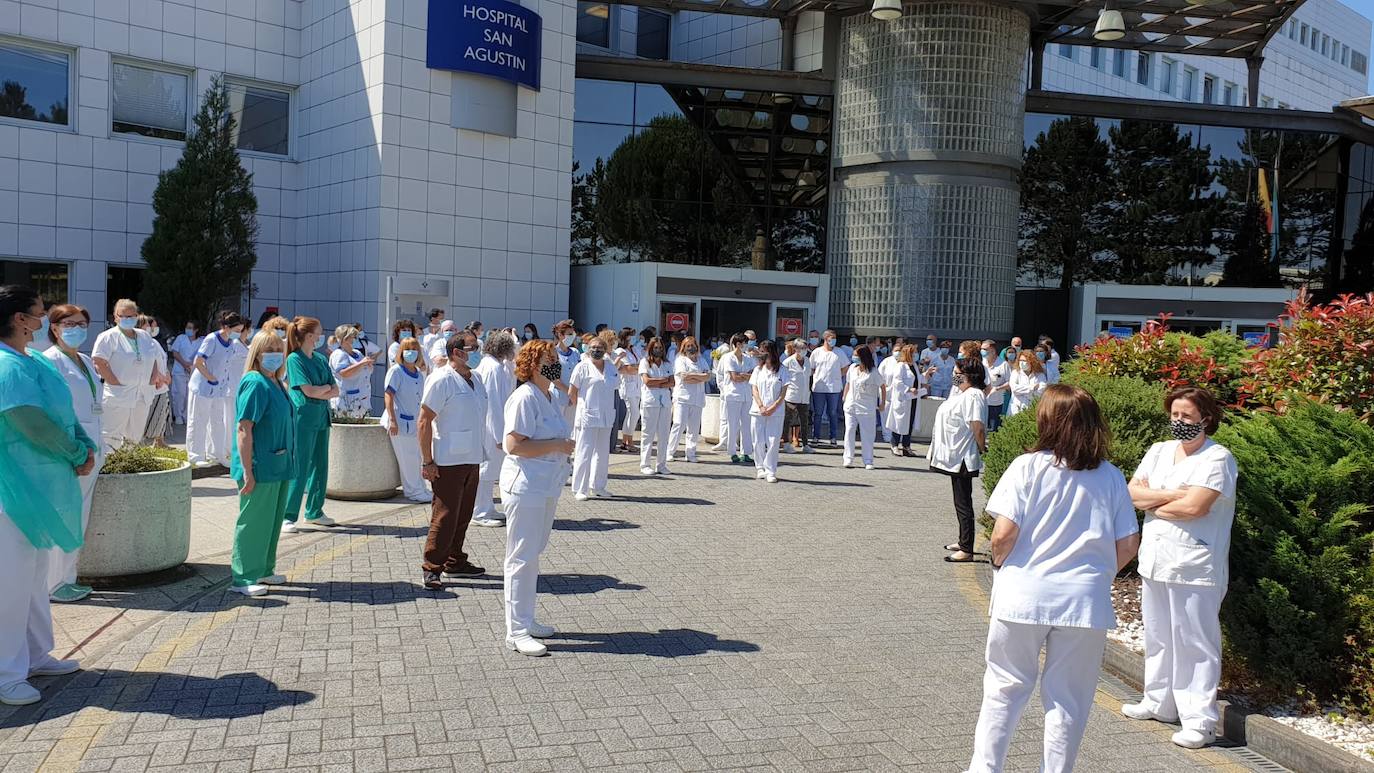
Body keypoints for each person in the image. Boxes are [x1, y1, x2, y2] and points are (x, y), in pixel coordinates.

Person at [966, 384, 1142, 773]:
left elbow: (1003, 535)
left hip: (1023, 594)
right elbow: (1129, 543)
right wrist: (1097, 574)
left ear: (1047, 421)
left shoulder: (1026, 467)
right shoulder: (1111, 477)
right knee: (1069, 698)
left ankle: (985, 768)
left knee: (1004, 688)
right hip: (1083, 601)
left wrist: (1000, 565)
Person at [1123, 387, 1237, 750]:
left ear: (1206, 418)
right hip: (1156, 559)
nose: (1179, 422)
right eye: (1174, 415)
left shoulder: (1217, 459)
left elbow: (1196, 508)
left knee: (1195, 642)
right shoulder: (1158, 451)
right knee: (1158, 636)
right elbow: (1131, 495)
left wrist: (1153, 501)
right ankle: (1158, 702)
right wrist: (1173, 496)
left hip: (1195, 564)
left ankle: (1199, 721)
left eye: (1186, 417)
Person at [0, 285, 95, 705]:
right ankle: (7, 672)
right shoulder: (5, 367)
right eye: (39, 313)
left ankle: (36, 654)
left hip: (40, 484)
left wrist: (81, 442)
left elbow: (63, 409)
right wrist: (75, 451)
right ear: (20, 319)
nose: (43, 321)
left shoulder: (32, 359)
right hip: (13, 489)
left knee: (35, 576)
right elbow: (30, 423)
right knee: (11, 581)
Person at [499, 340, 574, 656]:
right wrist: (557, 444)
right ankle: (515, 631)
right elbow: (513, 446)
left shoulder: (550, 395)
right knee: (521, 557)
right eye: (549, 359)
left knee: (533, 553)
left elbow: (569, 394)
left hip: (545, 485)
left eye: (556, 358)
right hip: (525, 486)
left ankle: (527, 620)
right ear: (531, 364)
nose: (555, 362)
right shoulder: (524, 397)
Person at [226, 330, 296, 597]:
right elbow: (244, 429)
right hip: (259, 465)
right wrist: (247, 470)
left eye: (279, 349)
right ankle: (243, 577)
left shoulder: (276, 381)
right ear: (257, 354)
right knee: (254, 521)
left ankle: (264, 568)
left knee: (271, 521)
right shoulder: (255, 382)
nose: (276, 355)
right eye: (270, 350)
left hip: (278, 464)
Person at [418, 332, 489, 589]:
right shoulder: (441, 380)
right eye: (474, 347)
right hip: (448, 459)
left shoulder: (475, 378)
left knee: (463, 515)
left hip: (472, 457)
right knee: (445, 516)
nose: (479, 351)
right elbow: (424, 421)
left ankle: (454, 561)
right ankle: (432, 567)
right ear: (457, 352)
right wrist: (428, 461)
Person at [43, 305, 103, 603]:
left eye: (82, 323)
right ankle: (53, 583)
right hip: (70, 451)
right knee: (64, 515)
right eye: (69, 323)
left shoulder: (86, 361)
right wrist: (72, 450)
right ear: (54, 328)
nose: (77, 329)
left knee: (78, 516)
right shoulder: (49, 362)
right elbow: (53, 412)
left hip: (92, 447)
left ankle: (68, 577)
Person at [282, 317, 339, 533]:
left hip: (321, 417)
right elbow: (308, 391)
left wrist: (321, 389)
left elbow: (336, 390)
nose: (321, 336)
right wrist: (323, 389)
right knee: (301, 465)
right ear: (309, 336)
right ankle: (288, 515)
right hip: (303, 417)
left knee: (320, 464)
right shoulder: (294, 360)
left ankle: (314, 511)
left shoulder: (320, 359)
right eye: (319, 332)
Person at [929, 357, 988, 562]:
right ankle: (963, 540)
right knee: (959, 502)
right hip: (955, 456)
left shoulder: (974, 395)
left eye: (957, 373)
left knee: (964, 503)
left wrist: (983, 449)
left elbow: (977, 426)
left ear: (968, 375)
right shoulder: (963, 393)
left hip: (964, 457)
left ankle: (967, 548)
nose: (954, 376)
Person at [91, 299, 158, 450]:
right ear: (116, 317)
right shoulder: (108, 336)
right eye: (123, 316)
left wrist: (153, 379)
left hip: (142, 394)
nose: (128, 319)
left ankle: (129, 468)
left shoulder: (144, 336)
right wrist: (115, 383)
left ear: (137, 316)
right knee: (111, 435)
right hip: (118, 393)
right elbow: (98, 361)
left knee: (134, 436)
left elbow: (153, 357)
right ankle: (107, 469)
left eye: (131, 316)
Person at [187, 311, 246, 467]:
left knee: (217, 421)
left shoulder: (232, 343)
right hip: (203, 387)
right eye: (236, 331)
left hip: (219, 389)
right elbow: (198, 361)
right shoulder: (212, 339)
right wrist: (211, 378)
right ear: (226, 327)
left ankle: (217, 454)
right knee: (199, 420)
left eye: (240, 331)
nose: (238, 334)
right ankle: (195, 455)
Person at [471, 331, 517, 527]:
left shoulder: (495, 366)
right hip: (491, 428)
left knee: (489, 471)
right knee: (486, 470)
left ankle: (487, 507)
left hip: (492, 427)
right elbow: (493, 405)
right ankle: (479, 512)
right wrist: (500, 435)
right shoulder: (493, 368)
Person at [567, 335, 618, 500]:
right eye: (593, 347)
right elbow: (572, 392)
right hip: (587, 416)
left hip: (605, 416)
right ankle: (579, 489)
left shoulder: (611, 367)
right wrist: (581, 408)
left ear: (605, 350)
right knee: (584, 452)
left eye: (600, 348)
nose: (596, 350)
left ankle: (598, 486)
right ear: (588, 349)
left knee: (602, 453)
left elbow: (615, 386)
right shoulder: (582, 367)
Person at [383, 337, 431, 503]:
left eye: (414, 349)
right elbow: (389, 395)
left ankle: (420, 488)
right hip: (400, 422)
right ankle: (413, 491)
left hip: (414, 422)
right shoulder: (396, 371)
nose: (411, 353)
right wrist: (392, 420)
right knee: (408, 459)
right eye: (407, 349)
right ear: (401, 352)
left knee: (416, 457)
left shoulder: (418, 373)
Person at [748, 340, 790, 483]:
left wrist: (773, 407)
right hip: (758, 410)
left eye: (764, 351)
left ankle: (770, 470)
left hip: (776, 411)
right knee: (758, 440)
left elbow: (783, 393)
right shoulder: (758, 370)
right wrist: (760, 406)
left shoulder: (782, 370)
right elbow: (754, 389)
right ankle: (760, 467)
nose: (761, 353)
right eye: (760, 350)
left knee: (772, 441)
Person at [666, 336, 710, 463]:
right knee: (678, 425)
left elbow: (708, 376)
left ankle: (690, 453)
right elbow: (684, 377)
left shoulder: (701, 360)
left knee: (694, 428)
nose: (691, 348)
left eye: (693, 345)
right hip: (682, 398)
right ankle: (670, 451)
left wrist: (695, 377)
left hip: (697, 398)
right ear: (684, 347)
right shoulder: (680, 360)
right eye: (688, 346)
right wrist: (700, 376)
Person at [841, 345, 884, 469]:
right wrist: (844, 397)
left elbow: (882, 386)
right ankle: (848, 458)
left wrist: (881, 403)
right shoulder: (852, 368)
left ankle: (868, 460)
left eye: (856, 355)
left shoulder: (873, 372)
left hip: (866, 407)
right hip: (850, 405)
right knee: (849, 431)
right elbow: (848, 383)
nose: (854, 358)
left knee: (867, 434)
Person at [638, 336, 675, 475]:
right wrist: (663, 381)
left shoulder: (667, 364)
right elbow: (647, 381)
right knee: (648, 434)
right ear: (650, 348)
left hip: (664, 402)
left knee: (664, 434)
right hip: (650, 402)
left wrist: (658, 382)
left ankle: (661, 464)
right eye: (655, 348)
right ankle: (645, 464)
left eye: (660, 348)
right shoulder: (645, 362)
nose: (658, 350)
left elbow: (672, 382)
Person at [718, 334, 757, 465]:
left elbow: (753, 375)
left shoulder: (748, 358)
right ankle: (732, 452)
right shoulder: (728, 357)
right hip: (733, 394)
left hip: (746, 394)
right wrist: (744, 375)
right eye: (742, 343)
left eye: (745, 343)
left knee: (747, 425)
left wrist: (744, 375)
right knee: (733, 424)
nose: (744, 346)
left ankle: (746, 452)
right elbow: (734, 377)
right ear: (736, 344)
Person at [136, 315, 173, 447]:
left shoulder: (154, 342)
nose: (152, 328)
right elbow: (150, 363)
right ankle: (142, 444)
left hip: (162, 384)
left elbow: (162, 360)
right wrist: (159, 378)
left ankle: (159, 441)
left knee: (161, 415)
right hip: (153, 385)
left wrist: (167, 374)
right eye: (149, 325)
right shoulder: (141, 344)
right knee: (148, 418)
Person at [883, 344, 922, 456]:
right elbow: (897, 382)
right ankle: (894, 444)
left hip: (913, 399)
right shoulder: (901, 366)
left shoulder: (914, 365)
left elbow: (917, 379)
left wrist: (927, 374)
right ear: (909, 353)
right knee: (899, 422)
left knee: (909, 423)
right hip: (903, 399)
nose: (916, 355)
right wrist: (909, 389)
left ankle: (906, 445)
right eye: (914, 352)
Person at [810, 331, 846, 448]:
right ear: (825, 339)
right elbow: (811, 368)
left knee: (833, 413)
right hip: (819, 387)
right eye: (832, 338)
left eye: (835, 338)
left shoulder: (839, 352)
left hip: (834, 388)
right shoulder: (817, 352)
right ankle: (816, 436)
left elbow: (845, 367)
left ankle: (833, 437)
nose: (834, 340)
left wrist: (836, 376)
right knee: (818, 413)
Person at [330, 324, 375, 418]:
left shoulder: (358, 353)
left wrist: (369, 365)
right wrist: (361, 364)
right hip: (347, 402)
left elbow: (365, 370)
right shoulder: (339, 354)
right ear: (345, 339)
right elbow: (343, 373)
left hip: (362, 400)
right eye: (353, 337)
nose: (356, 339)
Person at [781, 338, 813, 454]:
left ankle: (805, 444)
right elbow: (783, 379)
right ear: (795, 349)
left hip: (804, 395)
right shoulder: (788, 362)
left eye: (805, 348)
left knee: (804, 421)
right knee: (788, 420)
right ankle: (786, 443)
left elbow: (809, 376)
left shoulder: (808, 361)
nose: (804, 350)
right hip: (791, 395)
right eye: (801, 348)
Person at [613, 328, 641, 453]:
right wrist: (636, 367)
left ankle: (627, 440)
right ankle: (627, 441)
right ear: (625, 338)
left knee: (633, 414)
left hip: (637, 386)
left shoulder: (634, 350)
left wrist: (636, 367)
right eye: (631, 336)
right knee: (634, 413)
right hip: (627, 386)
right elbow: (627, 369)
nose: (633, 338)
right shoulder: (620, 351)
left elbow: (642, 365)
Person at [169, 319, 200, 425]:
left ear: (196, 330)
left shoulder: (200, 341)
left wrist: (191, 366)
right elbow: (175, 353)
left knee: (190, 395)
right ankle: (178, 415)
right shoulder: (181, 338)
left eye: (191, 328)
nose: (188, 330)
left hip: (193, 371)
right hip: (179, 371)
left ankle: (187, 416)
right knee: (180, 394)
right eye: (187, 327)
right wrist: (185, 364)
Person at [1006, 349, 1048, 418]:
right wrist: (1032, 388)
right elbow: (1015, 389)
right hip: (1016, 409)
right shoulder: (1015, 373)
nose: (1022, 363)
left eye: (1025, 361)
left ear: (1032, 362)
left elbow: (1041, 391)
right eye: (1020, 360)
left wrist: (1023, 392)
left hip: (1032, 409)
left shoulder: (1040, 375)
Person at [983, 340, 1010, 432]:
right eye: (981, 349)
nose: (982, 351)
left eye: (985, 349)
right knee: (982, 429)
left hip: (995, 403)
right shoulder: (982, 362)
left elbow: (1009, 382)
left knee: (992, 430)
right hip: (982, 401)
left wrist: (998, 388)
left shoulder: (1003, 364)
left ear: (993, 351)